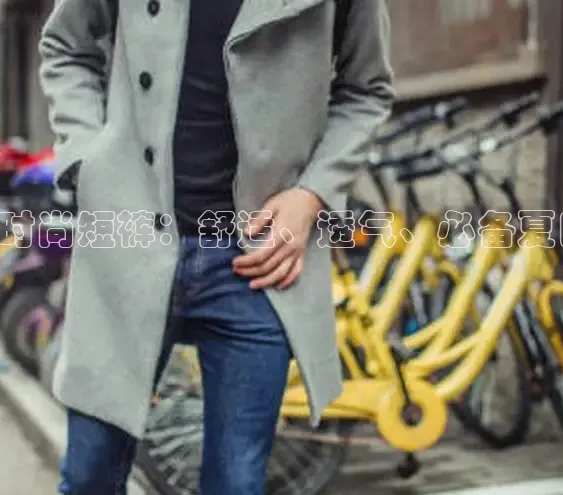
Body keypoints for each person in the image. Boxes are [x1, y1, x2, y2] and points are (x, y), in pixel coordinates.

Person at [38, 1, 394, 494]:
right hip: (130, 235)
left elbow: (366, 89)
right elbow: (65, 46)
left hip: (258, 256)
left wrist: (313, 194)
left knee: (236, 483)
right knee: (90, 476)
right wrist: (87, 158)